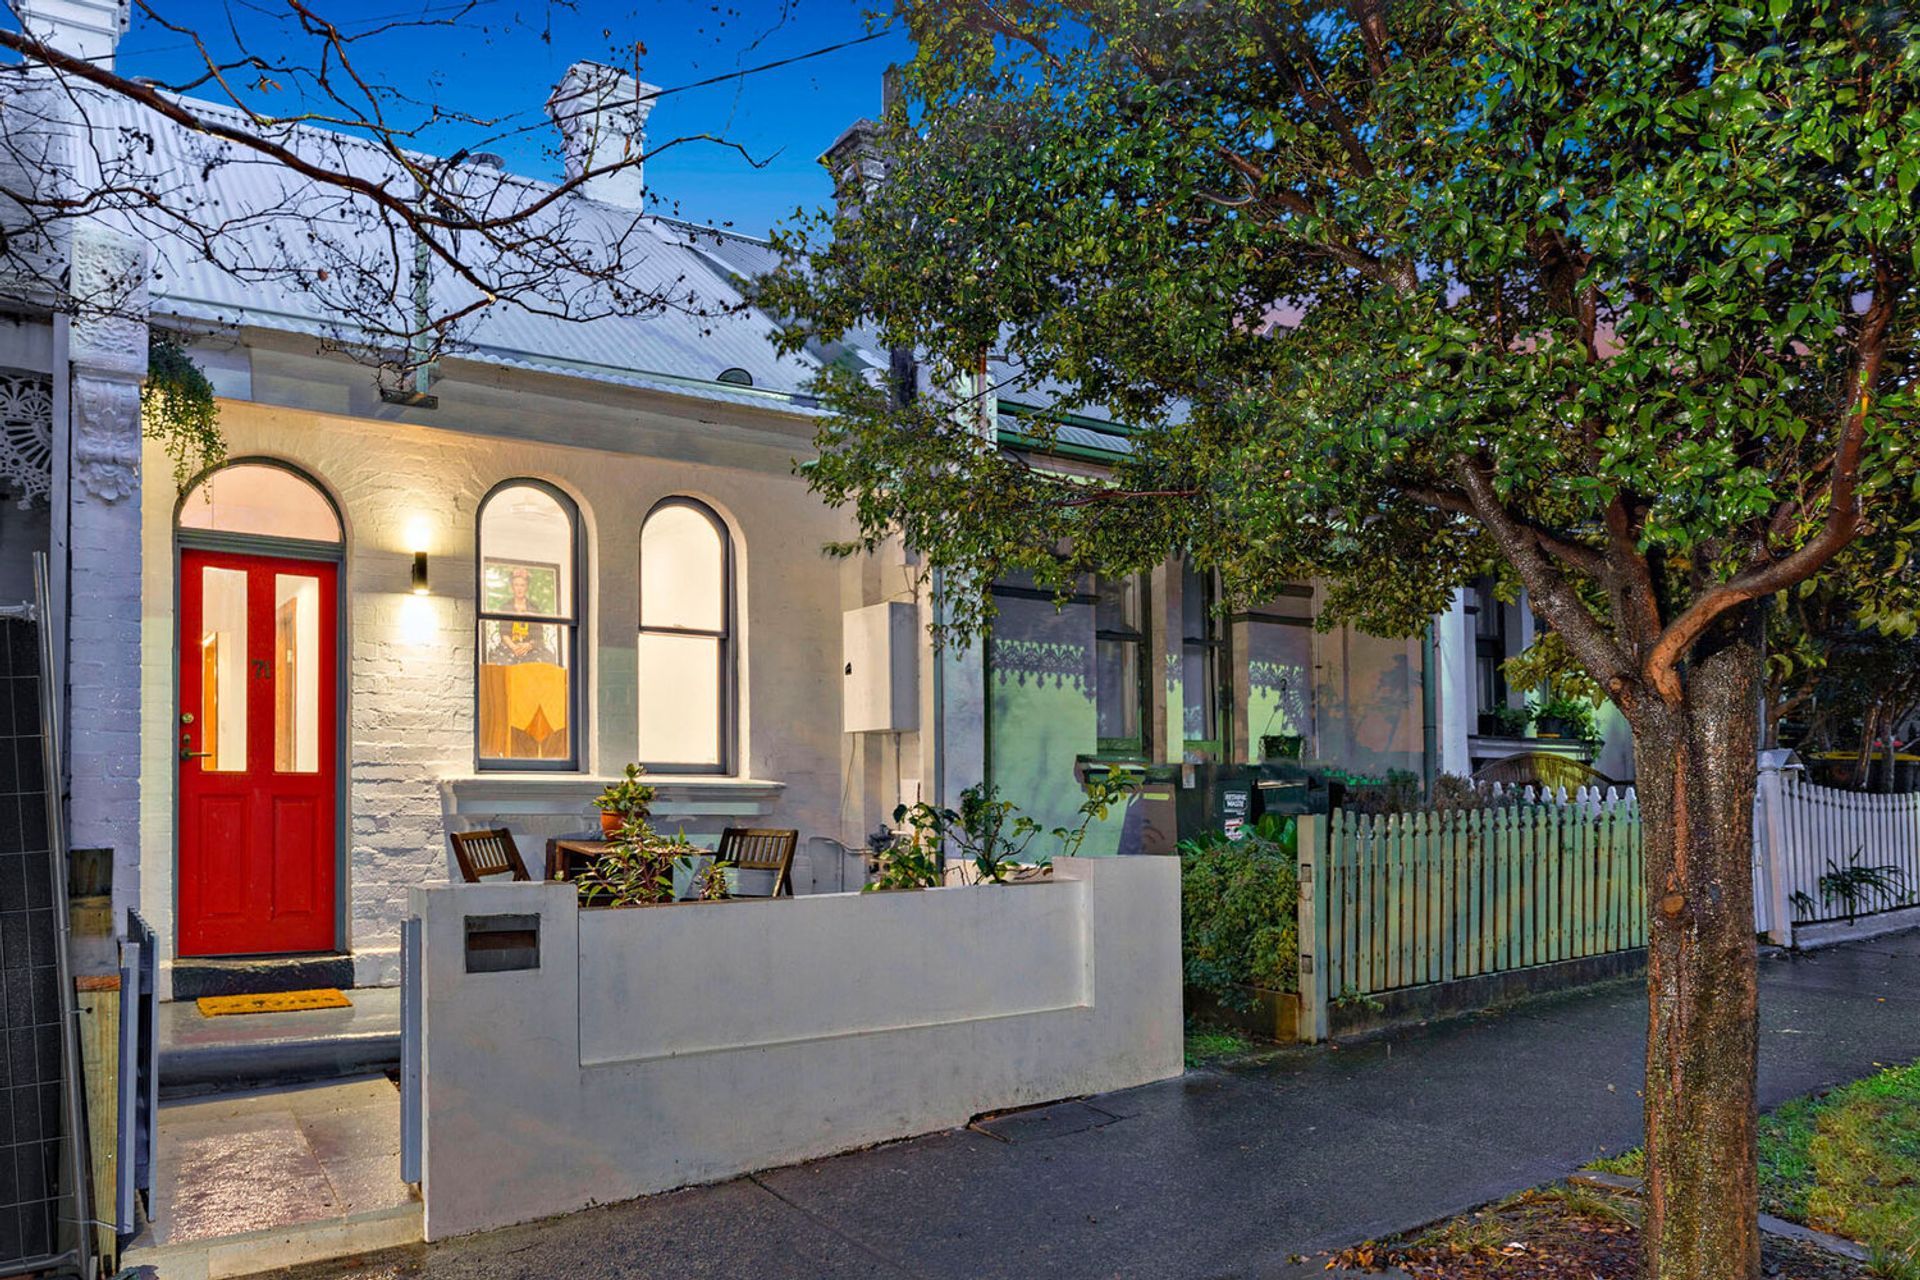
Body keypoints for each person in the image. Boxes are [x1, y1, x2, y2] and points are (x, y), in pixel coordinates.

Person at [487, 565, 557, 664]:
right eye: (516, 585)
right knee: (501, 661)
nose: (519, 589)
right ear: (512, 587)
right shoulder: (506, 607)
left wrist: (528, 645)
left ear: (526, 587)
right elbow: (504, 633)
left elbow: (538, 635)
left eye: (522, 585)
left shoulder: (533, 608)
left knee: (542, 660)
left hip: (530, 648)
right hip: (509, 647)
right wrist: (514, 647)